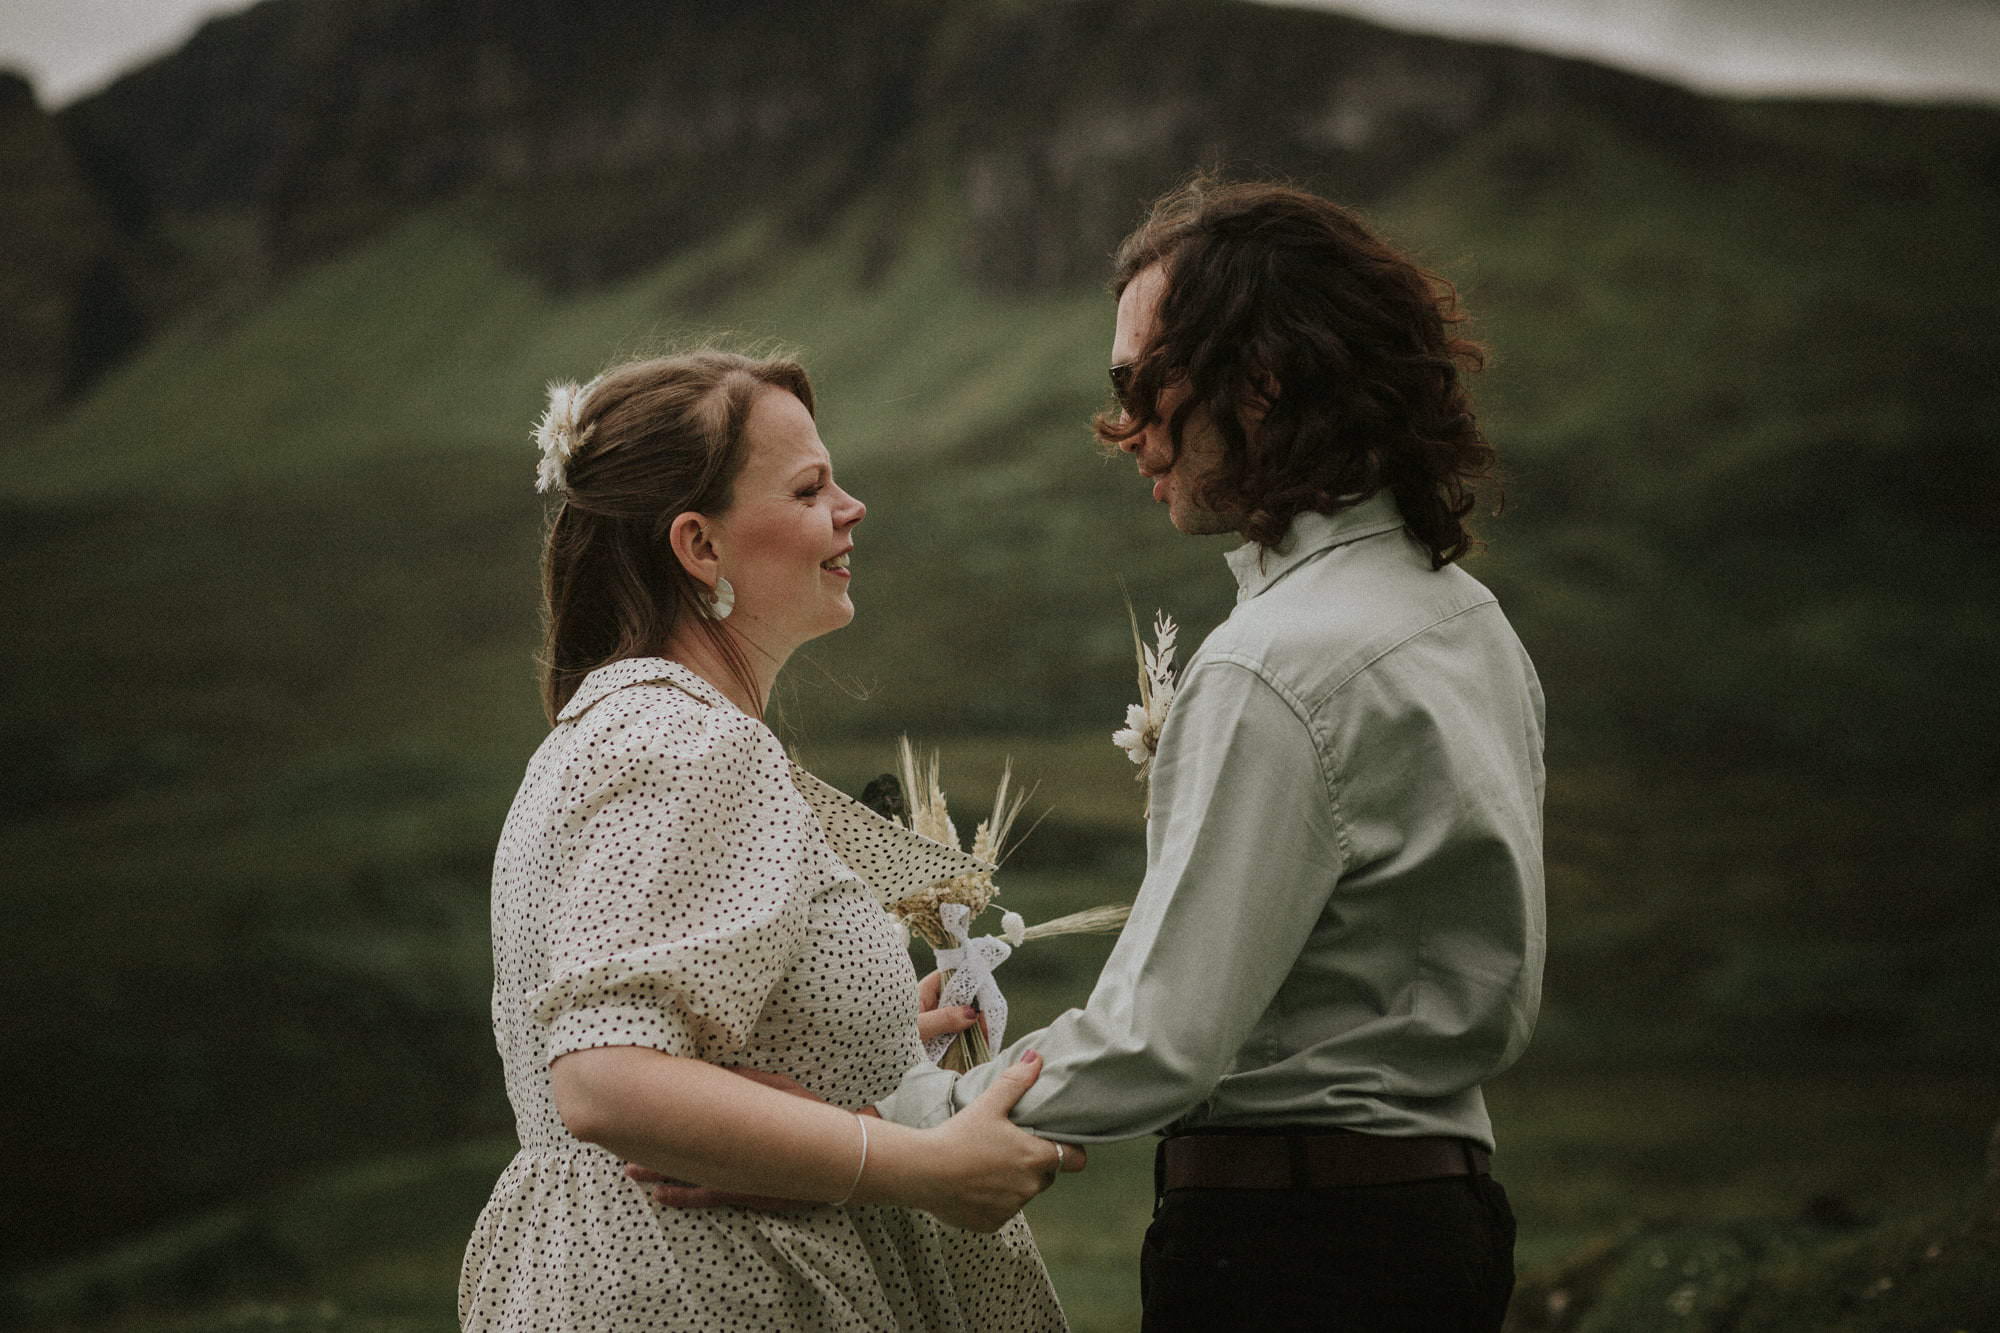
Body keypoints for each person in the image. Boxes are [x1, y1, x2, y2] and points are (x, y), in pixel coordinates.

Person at [655, 180, 1546, 1330]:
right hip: (1443, 1226)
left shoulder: (1271, 667)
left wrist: (874, 1131)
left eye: (1138, 383)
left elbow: (1157, 1039)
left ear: (1260, 380)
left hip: (1291, 1254)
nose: (1123, 429)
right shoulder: (1466, 618)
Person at [458, 350, 1082, 1332]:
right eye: (808, 488)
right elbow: (604, 1075)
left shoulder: (622, 725)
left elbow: (677, 1029)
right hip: (711, 1288)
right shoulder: (687, 742)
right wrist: (924, 1166)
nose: (852, 506)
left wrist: (861, 1034)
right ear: (699, 547)